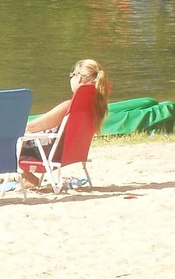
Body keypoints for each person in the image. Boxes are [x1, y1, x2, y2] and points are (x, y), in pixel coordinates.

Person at [19, 58, 111, 188]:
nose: (71, 78)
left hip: (50, 153)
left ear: (79, 78)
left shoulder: (68, 106)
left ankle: (28, 177)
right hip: (71, 151)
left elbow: (32, 126)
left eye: (72, 75)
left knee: (10, 140)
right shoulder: (95, 105)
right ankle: (28, 177)